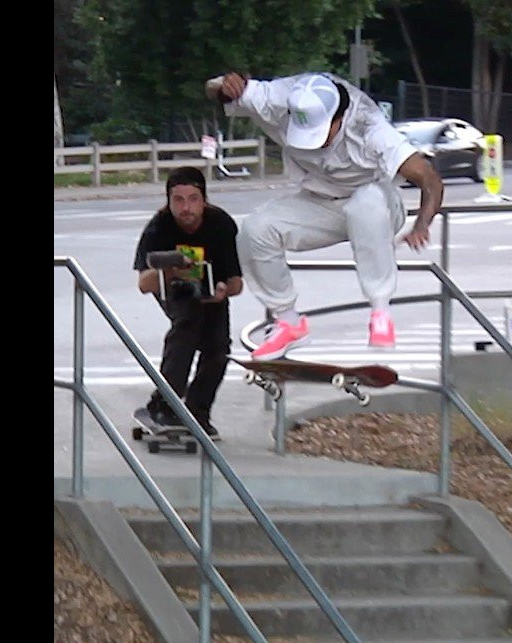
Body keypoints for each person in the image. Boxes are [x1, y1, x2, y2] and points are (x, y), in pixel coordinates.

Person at [205, 71, 444, 360]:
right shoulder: (277, 100)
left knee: (364, 203)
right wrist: (226, 87)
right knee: (256, 229)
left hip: (377, 206)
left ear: (339, 119)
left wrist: (421, 223)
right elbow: (213, 89)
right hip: (319, 204)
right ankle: (288, 323)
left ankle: (380, 311)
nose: (315, 146)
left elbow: (430, 179)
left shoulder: (371, 128)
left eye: (321, 136)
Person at [132, 167, 243, 439]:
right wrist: (171, 271)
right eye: (178, 200)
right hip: (172, 287)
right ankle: (165, 403)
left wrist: (222, 290)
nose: (186, 208)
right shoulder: (158, 227)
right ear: (168, 202)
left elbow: (237, 283)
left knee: (218, 347)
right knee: (188, 323)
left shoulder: (221, 225)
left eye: (193, 199)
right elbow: (144, 284)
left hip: (211, 286)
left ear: (204, 201)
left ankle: (198, 410)